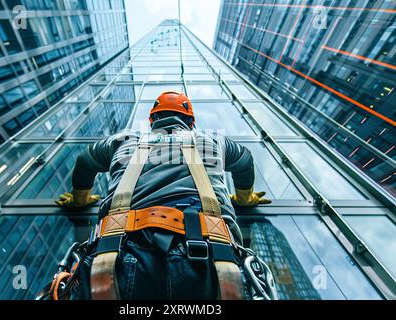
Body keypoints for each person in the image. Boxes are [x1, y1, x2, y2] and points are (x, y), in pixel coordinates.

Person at [55, 91, 273, 300]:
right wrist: (245, 198)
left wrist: (80, 199)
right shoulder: (212, 139)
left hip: (114, 257)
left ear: (153, 121)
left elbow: (84, 161)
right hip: (213, 257)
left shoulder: (125, 141)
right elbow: (245, 162)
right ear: (190, 122)